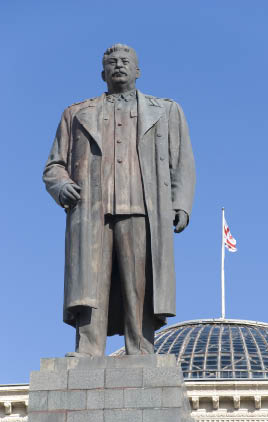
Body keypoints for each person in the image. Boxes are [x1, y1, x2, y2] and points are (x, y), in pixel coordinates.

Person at [43, 44, 195, 356]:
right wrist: (61, 185)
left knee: (138, 283)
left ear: (138, 71)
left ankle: (140, 347)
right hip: (91, 210)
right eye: (112, 62)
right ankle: (88, 347)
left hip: (142, 208)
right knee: (90, 282)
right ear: (102, 73)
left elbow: (182, 162)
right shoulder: (75, 114)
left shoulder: (166, 111)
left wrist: (180, 203)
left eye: (126, 61)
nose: (119, 66)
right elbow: (54, 165)